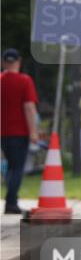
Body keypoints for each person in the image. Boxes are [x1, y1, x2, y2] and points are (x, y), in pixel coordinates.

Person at [1, 49, 40, 215]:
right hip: (20, 132)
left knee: (10, 166)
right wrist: (33, 132)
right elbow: (29, 107)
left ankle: (11, 200)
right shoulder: (25, 81)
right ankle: (11, 203)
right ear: (19, 61)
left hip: (2, 132)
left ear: (3, 62)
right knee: (17, 168)